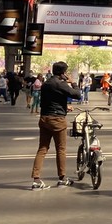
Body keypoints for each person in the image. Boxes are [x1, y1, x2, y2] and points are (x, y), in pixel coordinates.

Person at [30, 61, 82, 190]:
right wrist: (73, 81)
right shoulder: (61, 84)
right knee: (61, 149)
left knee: (42, 148)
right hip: (57, 119)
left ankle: (36, 179)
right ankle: (62, 178)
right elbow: (77, 94)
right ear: (63, 72)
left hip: (44, 118)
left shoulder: (46, 83)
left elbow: (50, 100)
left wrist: (64, 106)